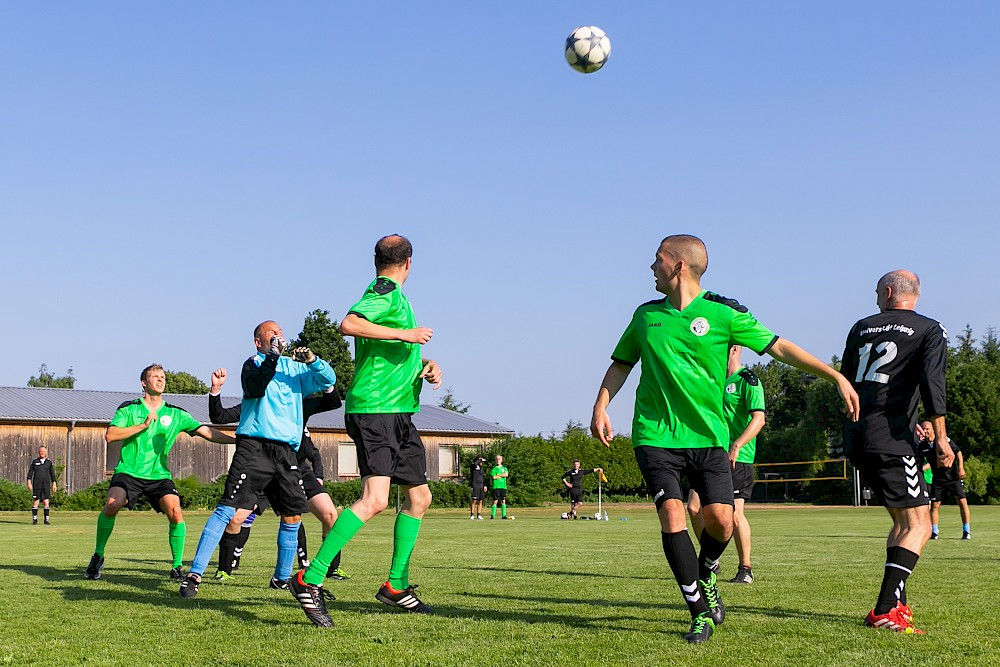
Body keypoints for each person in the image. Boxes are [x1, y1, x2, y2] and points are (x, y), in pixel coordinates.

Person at [590, 234, 859, 643]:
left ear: (678, 265)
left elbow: (780, 347)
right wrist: (600, 405)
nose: (651, 267)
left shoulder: (724, 313)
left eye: (657, 259)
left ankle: (707, 571)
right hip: (655, 435)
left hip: (709, 438)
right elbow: (621, 364)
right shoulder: (645, 316)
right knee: (674, 516)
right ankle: (698, 610)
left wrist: (835, 375)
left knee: (723, 521)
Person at [290, 234, 443, 627]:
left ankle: (395, 586)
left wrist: (424, 365)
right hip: (375, 411)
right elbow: (349, 324)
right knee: (375, 500)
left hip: (398, 411)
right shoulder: (385, 289)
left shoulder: (398, 299)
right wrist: (406, 335)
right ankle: (309, 579)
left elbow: (387, 352)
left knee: (420, 497)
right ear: (409, 262)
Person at [180, 322, 336, 598]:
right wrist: (273, 356)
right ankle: (194, 575)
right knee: (228, 508)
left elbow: (328, 383)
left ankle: (280, 578)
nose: (278, 336)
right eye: (271, 333)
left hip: (286, 451)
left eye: (280, 332)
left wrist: (313, 361)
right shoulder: (252, 364)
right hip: (254, 447)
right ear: (258, 341)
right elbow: (255, 387)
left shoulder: (295, 368)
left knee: (292, 515)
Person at [841, 270, 953, 634]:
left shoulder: (861, 327)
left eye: (876, 291)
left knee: (903, 523)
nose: (875, 297)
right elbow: (933, 385)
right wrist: (941, 438)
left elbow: (847, 383)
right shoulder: (929, 329)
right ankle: (885, 609)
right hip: (892, 438)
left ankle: (897, 604)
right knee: (919, 525)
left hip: (858, 435)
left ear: (888, 292)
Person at [84, 364, 235, 580]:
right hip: (128, 472)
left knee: (175, 511)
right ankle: (98, 556)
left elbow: (206, 432)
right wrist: (142, 426)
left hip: (159, 475)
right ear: (144, 383)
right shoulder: (129, 409)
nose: (160, 379)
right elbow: (111, 436)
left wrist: (238, 441)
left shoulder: (175, 413)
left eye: (162, 376)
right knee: (112, 504)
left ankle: (176, 566)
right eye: (155, 376)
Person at [206, 368, 350, 584]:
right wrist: (216, 390)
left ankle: (330, 568)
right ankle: (224, 569)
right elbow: (220, 416)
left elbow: (333, 401)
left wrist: (324, 375)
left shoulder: (299, 403)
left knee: (331, 516)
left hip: (296, 469)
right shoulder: (254, 402)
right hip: (262, 468)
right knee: (236, 518)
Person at [687, 345, 766, 584]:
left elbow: (759, 419)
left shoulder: (748, 381)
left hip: (737, 458)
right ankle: (712, 559)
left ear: (733, 349)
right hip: (711, 454)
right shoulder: (713, 377)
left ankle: (746, 568)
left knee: (735, 516)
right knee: (693, 507)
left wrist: (738, 445)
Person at [920, 420, 971, 540]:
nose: (925, 431)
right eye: (924, 429)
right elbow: (919, 461)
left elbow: (958, 452)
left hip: (952, 477)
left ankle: (966, 531)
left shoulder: (943, 440)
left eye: (927, 428)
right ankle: (934, 532)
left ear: (933, 429)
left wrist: (961, 468)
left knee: (962, 502)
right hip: (937, 479)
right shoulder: (922, 446)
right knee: (935, 505)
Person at [27, 446, 57, 525]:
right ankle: (35, 520)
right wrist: (29, 482)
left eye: (43, 451)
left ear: (46, 452)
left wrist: (54, 483)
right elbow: (30, 473)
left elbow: (52, 474)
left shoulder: (49, 462)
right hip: (37, 485)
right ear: (39, 452)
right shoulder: (35, 462)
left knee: (46, 502)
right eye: (41, 451)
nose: (42, 453)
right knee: (35, 502)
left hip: (46, 485)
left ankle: (46, 520)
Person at [490, 454, 509, 520]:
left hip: (503, 487)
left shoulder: (504, 468)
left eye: (499, 459)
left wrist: (499, 475)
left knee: (503, 500)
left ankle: (504, 515)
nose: (498, 460)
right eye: (497, 459)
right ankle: (492, 515)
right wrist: (502, 475)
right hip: (496, 487)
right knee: (495, 501)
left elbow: (506, 475)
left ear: (501, 460)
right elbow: (494, 477)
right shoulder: (494, 469)